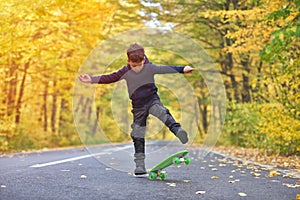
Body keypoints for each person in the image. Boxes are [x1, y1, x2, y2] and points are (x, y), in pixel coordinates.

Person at [79, 44, 195, 175]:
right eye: (134, 66)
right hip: (138, 106)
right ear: (129, 62)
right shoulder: (125, 71)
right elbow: (110, 77)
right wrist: (91, 79)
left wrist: (183, 69)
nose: (137, 69)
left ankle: (178, 131)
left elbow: (166, 69)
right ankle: (140, 166)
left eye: (139, 65)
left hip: (152, 100)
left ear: (143, 60)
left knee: (162, 112)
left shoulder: (149, 68)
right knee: (137, 134)